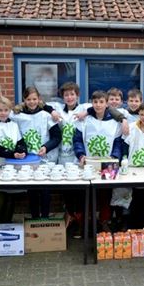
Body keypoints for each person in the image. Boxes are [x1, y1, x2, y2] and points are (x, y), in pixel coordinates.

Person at [73, 90, 123, 232]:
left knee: (105, 194)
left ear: (107, 103)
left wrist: (115, 157)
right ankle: (86, 223)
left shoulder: (115, 122)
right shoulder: (84, 120)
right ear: (91, 103)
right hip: (87, 162)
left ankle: (104, 221)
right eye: (95, 102)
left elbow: (118, 142)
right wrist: (81, 155)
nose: (98, 105)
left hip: (108, 163)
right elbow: (77, 140)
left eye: (101, 102)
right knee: (87, 194)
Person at [11, 86, 62, 219]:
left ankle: (44, 218)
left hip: (45, 159)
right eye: (29, 99)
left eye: (34, 99)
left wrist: (46, 147)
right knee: (32, 191)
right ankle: (34, 220)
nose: (32, 102)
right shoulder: (18, 115)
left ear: (39, 99)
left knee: (45, 191)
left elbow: (57, 137)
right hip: (28, 160)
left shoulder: (46, 115)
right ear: (24, 100)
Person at [51, 82, 86, 237]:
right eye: (66, 95)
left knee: (80, 193)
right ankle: (70, 218)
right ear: (63, 97)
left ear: (77, 95)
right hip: (63, 158)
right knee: (67, 193)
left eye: (72, 94)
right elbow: (40, 105)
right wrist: (51, 112)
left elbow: (105, 107)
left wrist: (87, 112)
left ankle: (80, 222)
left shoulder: (84, 108)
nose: (69, 97)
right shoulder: (58, 109)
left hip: (78, 158)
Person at [0, 96, 27, 223]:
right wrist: (12, 153)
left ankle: (7, 225)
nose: (3, 113)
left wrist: (21, 151)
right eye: (0, 110)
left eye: (6, 110)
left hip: (11, 166)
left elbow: (20, 142)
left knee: (10, 199)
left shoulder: (14, 125)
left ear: (10, 110)